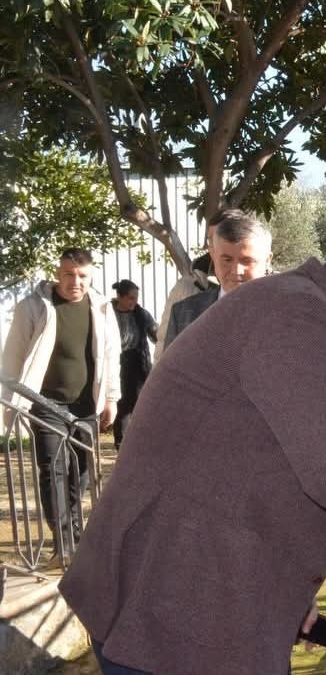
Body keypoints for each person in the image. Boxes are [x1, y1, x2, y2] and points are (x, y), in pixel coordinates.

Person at [59, 234, 326, 675]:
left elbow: (257, 466)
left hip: (185, 604)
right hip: (170, 618)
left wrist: (285, 589)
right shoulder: (297, 316)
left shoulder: (299, 311)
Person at [1, 248, 121, 564]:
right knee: (52, 470)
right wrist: (12, 402)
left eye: (82, 276)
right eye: (69, 274)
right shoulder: (34, 307)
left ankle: (76, 533)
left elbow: (111, 356)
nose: (75, 282)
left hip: (86, 405)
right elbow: (13, 356)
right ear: (58, 273)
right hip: (45, 402)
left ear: (91, 276)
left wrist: (111, 397)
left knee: (80, 473)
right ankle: (62, 541)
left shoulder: (102, 308)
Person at [157, 208, 273, 353]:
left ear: (267, 260)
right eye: (227, 260)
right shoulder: (184, 313)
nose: (236, 271)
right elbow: (169, 374)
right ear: (213, 255)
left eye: (247, 261)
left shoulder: (289, 313)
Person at [109, 280, 157, 451]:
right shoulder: (108, 313)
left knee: (140, 402)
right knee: (121, 404)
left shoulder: (141, 314)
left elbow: (156, 334)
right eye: (130, 298)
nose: (134, 302)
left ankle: (140, 441)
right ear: (119, 297)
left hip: (138, 362)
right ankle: (122, 444)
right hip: (116, 361)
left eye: (136, 298)